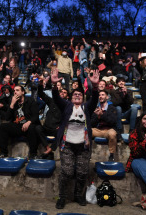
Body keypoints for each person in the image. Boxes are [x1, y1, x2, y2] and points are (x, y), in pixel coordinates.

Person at [51, 68, 99, 209]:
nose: (77, 95)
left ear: (83, 98)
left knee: (82, 172)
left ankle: (78, 195)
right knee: (66, 172)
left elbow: (94, 99)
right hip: (67, 145)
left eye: (80, 94)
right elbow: (56, 98)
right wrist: (54, 85)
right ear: (71, 98)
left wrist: (95, 86)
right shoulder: (67, 106)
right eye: (75, 94)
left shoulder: (86, 107)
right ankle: (62, 197)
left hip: (83, 146)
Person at [0, 85, 40, 159]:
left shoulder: (30, 101)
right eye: (14, 91)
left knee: (32, 128)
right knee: (3, 127)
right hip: (18, 126)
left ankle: (33, 154)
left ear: (23, 92)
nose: (15, 92)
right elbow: (7, 118)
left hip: (28, 126)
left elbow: (36, 116)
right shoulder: (13, 102)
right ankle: (3, 153)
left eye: (17, 90)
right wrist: (12, 105)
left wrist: (28, 122)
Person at [35, 77, 63, 160]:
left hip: (56, 129)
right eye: (61, 93)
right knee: (37, 128)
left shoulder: (67, 106)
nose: (62, 94)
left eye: (64, 93)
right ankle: (48, 148)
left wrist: (61, 126)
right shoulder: (52, 101)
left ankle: (48, 151)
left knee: (62, 133)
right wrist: (40, 84)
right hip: (46, 127)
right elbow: (41, 94)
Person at [91, 90, 118, 161]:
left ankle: (111, 155)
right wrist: (97, 116)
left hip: (108, 130)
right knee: (86, 131)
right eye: (99, 95)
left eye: (103, 95)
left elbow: (112, 121)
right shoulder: (96, 108)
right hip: (98, 130)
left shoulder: (112, 108)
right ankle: (86, 152)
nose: (101, 96)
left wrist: (102, 115)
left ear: (107, 97)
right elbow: (92, 124)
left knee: (112, 134)